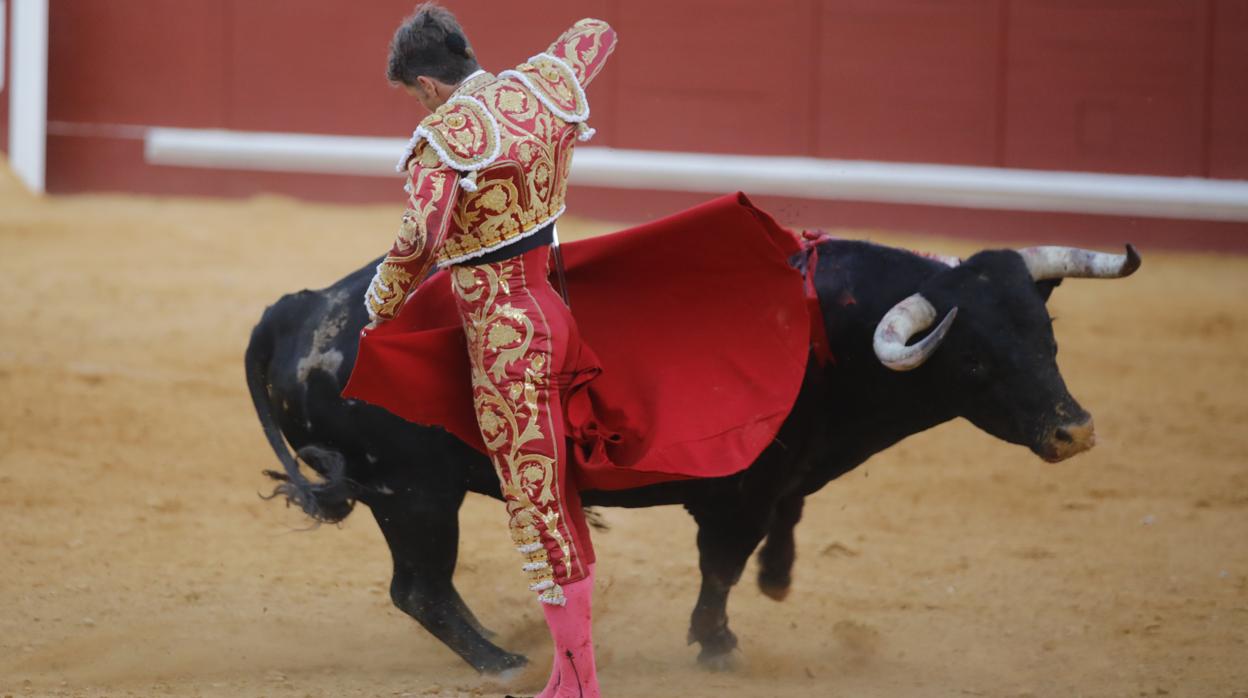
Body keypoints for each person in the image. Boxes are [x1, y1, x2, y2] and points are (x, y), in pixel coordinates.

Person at [360, 4, 616, 696]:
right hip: (556, 313)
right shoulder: (542, 87)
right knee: (558, 498)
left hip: (506, 340)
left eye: (415, 95)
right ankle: (576, 677)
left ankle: (578, 687)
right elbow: (595, 33)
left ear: (429, 85)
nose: (419, 107)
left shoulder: (444, 137)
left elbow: (423, 237)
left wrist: (380, 302)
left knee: (539, 509)